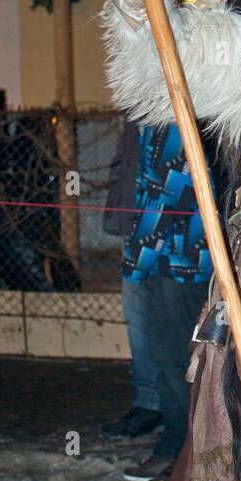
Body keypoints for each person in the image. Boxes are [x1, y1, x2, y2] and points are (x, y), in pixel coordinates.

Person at [119, 122, 215, 481]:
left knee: (179, 362)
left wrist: (136, 261)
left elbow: (166, 193)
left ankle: (189, 455)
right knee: (165, 358)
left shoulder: (173, 117)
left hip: (183, 258)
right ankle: (174, 444)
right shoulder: (153, 121)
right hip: (164, 257)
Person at [101, 119, 162, 439]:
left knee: (173, 321)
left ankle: (177, 410)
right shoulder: (136, 98)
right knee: (137, 313)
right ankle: (148, 402)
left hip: (174, 228)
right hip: (137, 223)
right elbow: (126, 158)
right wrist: (118, 214)